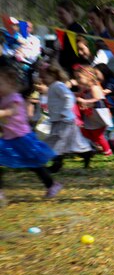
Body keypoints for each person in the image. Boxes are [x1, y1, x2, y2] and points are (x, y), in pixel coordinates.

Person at [0, 66, 61, 206]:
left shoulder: (14, 98)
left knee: (34, 165)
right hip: (8, 139)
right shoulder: (2, 98)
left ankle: (52, 184)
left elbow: (11, 111)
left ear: (11, 83)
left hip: (22, 138)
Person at [40, 63, 94, 172]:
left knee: (59, 140)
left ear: (54, 75)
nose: (43, 79)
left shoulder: (58, 85)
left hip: (65, 119)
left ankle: (57, 163)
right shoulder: (52, 87)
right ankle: (87, 152)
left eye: (44, 77)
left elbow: (69, 97)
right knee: (74, 141)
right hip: (58, 119)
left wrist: (65, 110)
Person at [74, 65, 112, 156]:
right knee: (86, 132)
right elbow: (78, 94)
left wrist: (84, 101)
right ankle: (97, 146)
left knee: (98, 134)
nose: (77, 80)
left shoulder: (94, 88)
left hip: (98, 115)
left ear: (89, 77)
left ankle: (107, 151)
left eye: (79, 77)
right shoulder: (84, 88)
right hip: (91, 116)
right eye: (76, 78)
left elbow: (97, 99)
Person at [56, 0, 87, 74]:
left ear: (70, 12)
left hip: (74, 72)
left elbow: (79, 54)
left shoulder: (77, 29)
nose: (59, 16)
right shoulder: (62, 29)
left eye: (61, 13)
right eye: (58, 13)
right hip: (63, 70)